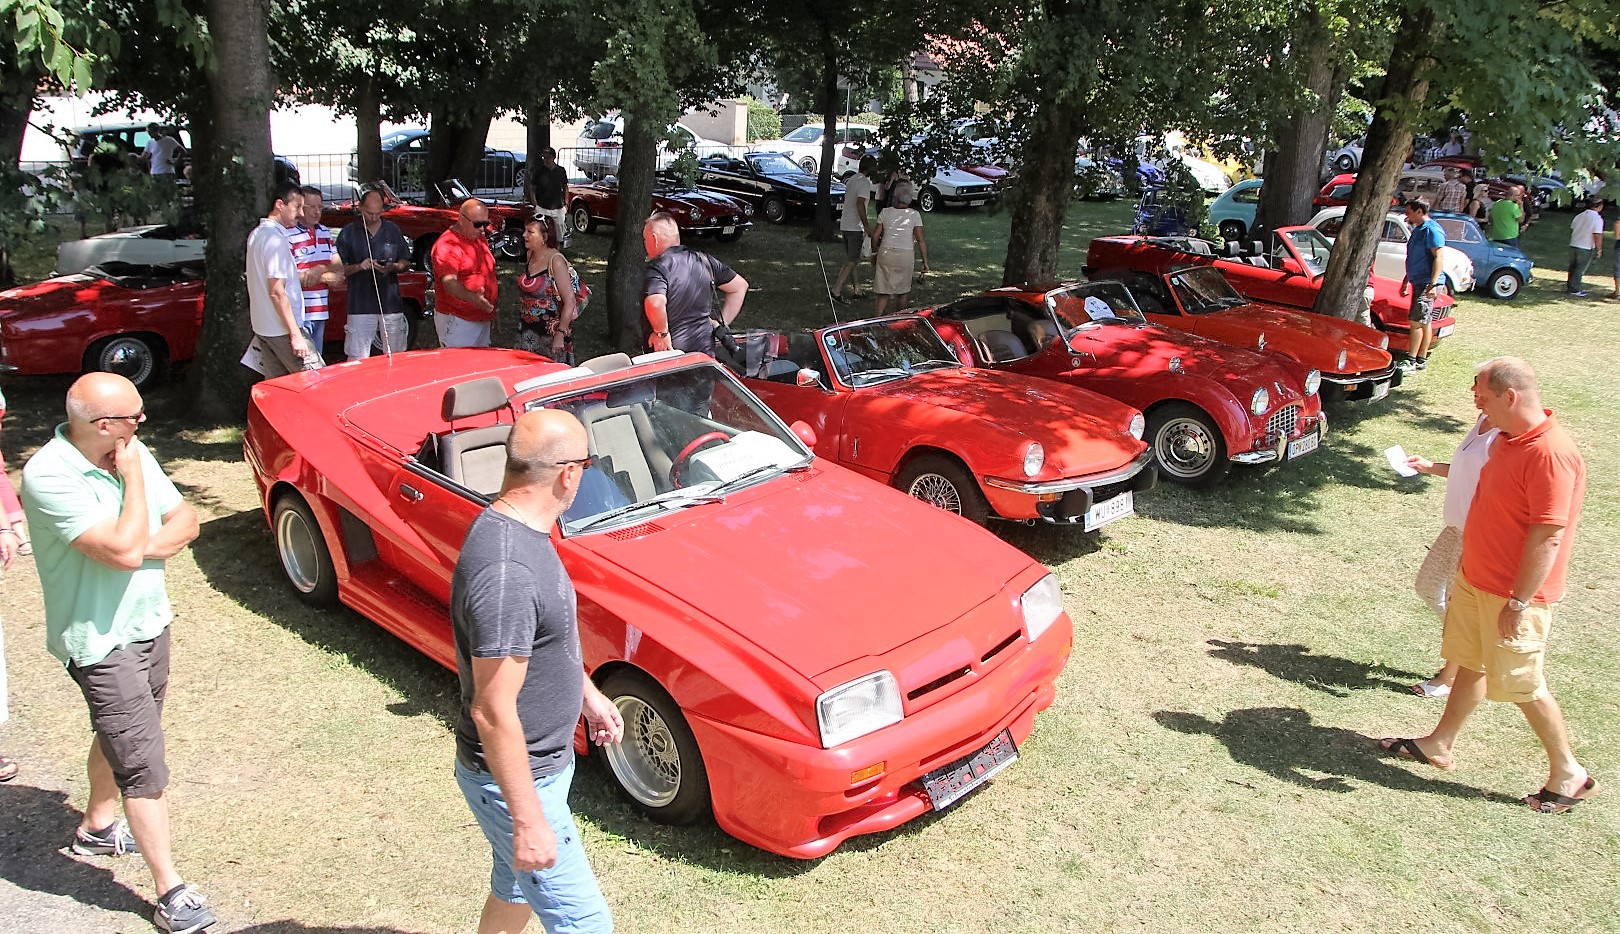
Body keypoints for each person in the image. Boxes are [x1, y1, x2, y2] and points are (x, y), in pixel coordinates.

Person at [21, 373, 216, 932]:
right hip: (99, 639)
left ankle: (98, 826)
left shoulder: (129, 449)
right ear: (102, 424)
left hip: (149, 621)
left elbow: (185, 520)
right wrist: (132, 488)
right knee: (142, 762)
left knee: (125, 731)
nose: (143, 423)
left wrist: (139, 548)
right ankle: (170, 891)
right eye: (134, 416)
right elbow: (122, 546)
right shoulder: (49, 476)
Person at [1378, 358, 1598, 816]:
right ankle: (1439, 743)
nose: (1477, 407)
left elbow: (1548, 534)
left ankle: (1568, 773)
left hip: (1513, 594)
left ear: (1510, 396)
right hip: (1476, 578)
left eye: (1483, 398)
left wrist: (1518, 602)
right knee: (1472, 663)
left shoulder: (1551, 454)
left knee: (1523, 683)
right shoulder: (1505, 439)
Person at [451, 408, 623, 934]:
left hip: (538, 770)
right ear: (569, 472)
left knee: (513, 888)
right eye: (587, 465)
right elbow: (491, 707)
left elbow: (546, 645)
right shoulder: (508, 571)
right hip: (517, 783)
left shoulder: (524, 533)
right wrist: (527, 821)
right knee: (586, 925)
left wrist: (588, 696)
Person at [1404, 412, 1501, 697]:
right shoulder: (1484, 419)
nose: (1474, 390)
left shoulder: (1504, 434)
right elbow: (1467, 471)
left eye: (1479, 384)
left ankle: (1449, 676)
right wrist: (1430, 467)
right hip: (1454, 527)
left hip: (1476, 533)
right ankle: (1469, 648)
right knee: (1428, 587)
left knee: (1457, 603)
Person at [642, 212, 748, 354]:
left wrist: (661, 333)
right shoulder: (704, 261)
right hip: (703, 353)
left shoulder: (658, 267)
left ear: (654, 239)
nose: (644, 244)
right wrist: (723, 324)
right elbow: (740, 286)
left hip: (669, 355)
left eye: (644, 239)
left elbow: (655, 303)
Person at [245, 182, 321, 378]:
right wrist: (295, 334)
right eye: (296, 207)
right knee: (317, 380)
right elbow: (277, 291)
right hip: (282, 330)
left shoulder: (257, 235)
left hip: (265, 328)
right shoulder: (274, 240)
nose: (301, 214)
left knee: (280, 387)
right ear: (280, 205)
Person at [335, 188, 415, 359]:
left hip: (390, 303)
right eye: (369, 213)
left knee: (396, 355)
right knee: (357, 357)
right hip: (360, 305)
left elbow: (406, 262)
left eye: (377, 214)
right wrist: (360, 266)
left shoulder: (392, 230)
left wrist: (393, 266)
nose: (373, 218)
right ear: (360, 208)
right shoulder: (348, 233)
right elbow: (339, 270)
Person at [516, 217, 587, 364]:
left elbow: (570, 301)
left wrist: (560, 335)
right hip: (527, 330)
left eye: (530, 232)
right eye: (525, 230)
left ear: (545, 237)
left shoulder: (556, 261)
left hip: (551, 334)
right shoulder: (530, 255)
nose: (524, 235)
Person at [431, 199, 499, 348]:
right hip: (458, 319)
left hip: (481, 316)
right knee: (458, 366)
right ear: (461, 219)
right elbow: (449, 282)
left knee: (480, 366)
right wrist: (472, 298)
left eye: (485, 224)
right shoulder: (447, 245)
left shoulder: (478, 237)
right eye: (477, 224)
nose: (482, 229)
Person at [286, 186, 346, 354]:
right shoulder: (288, 235)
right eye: (311, 207)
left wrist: (319, 270)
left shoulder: (325, 232)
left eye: (320, 207)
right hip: (299, 314)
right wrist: (325, 278)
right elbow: (288, 277)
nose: (317, 212)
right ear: (300, 208)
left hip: (320, 310)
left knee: (316, 359)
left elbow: (339, 268)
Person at [1397, 198, 1444, 372]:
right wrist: (1406, 279)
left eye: (1409, 212)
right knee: (1424, 321)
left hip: (1427, 282)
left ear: (1419, 211)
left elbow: (1439, 256)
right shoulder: (1418, 230)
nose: (1406, 215)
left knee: (1416, 321)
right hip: (1418, 280)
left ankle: (1412, 360)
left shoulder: (1432, 230)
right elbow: (1414, 258)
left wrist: (1433, 283)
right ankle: (1420, 359)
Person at [872, 180, 930, 315]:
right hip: (905, 255)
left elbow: (875, 237)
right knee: (903, 291)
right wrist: (925, 262)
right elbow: (921, 240)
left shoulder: (885, 212)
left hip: (886, 253)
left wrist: (874, 253)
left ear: (895, 196)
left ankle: (876, 320)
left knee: (883, 291)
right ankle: (900, 321)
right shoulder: (914, 215)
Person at [831, 155, 877, 304]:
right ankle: (836, 290)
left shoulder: (852, 179)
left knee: (853, 259)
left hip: (845, 223)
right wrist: (866, 226)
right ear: (870, 168)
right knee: (852, 260)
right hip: (854, 226)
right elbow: (860, 204)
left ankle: (857, 288)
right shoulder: (863, 182)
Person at [527, 148, 570, 249]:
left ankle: (557, 249)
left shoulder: (560, 171)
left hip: (558, 206)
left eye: (548, 157)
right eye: (544, 157)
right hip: (542, 206)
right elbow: (532, 188)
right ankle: (542, 248)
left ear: (553, 157)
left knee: (559, 229)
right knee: (540, 229)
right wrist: (535, 204)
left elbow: (565, 187)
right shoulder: (539, 171)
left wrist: (566, 203)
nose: (546, 159)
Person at [1566, 196, 1604, 297]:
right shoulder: (1597, 218)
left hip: (1574, 243)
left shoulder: (1579, 216)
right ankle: (1576, 289)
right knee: (1580, 269)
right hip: (1585, 246)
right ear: (1599, 206)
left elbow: (1573, 228)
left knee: (1573, 267)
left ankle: (1570, 286)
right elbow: (1597, 234)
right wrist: (1599, 249)